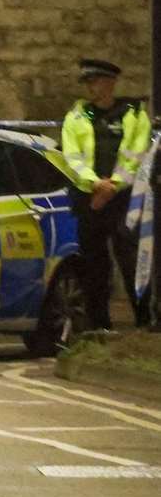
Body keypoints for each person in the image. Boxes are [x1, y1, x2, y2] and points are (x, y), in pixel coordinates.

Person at [61, 58, 154, 329]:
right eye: (87, 82)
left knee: (132, 260)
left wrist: (112, 186)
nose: (90, 88)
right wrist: (94, 184)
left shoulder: (132, 113)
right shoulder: (81, 115)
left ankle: (144, 320)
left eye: (94, 81)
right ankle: (99, 324)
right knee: (94, 263)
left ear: (111, 82)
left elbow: (136, 156)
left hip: (123, 199)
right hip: (89, 198)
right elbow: (72, 156)